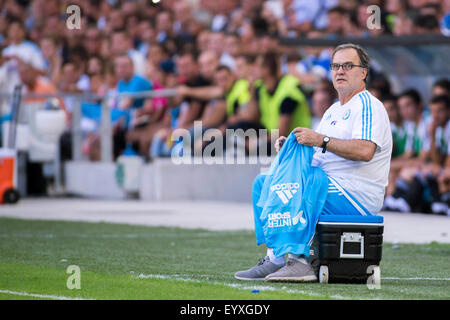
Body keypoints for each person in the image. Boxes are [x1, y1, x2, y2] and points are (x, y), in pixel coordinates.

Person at [235, 43, 392, 282]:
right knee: (263, 183)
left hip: (356, 193)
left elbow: (365, 150)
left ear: (363, 72)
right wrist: (294, 144)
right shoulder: (332, 110)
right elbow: (319, 152)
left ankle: (298, 261)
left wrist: (321, 139)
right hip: (329, 185)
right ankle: (275, 258)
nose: (340, 71)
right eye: (336, 66)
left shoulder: (368, 105)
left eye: (348, 66)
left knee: (307, 181)